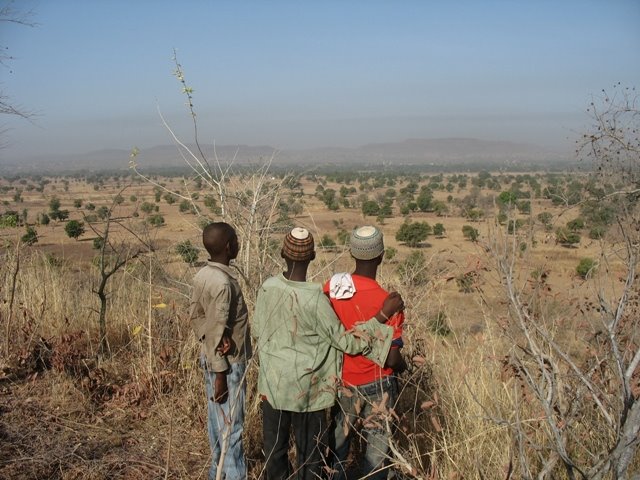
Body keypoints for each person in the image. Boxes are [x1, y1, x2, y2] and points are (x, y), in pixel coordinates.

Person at [252, 227, 404, 480]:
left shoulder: (274, 288)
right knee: (311, 457)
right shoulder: (317, 299)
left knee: (276, 452)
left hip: (275, 385)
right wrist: (381, 316)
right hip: (309, 392)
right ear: (312, 256)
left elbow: (258, 330)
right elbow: (349, 343)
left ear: (281, 253)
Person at [324, 226, 406, 480]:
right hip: (378, 383)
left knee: (337, 449)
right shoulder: (389, 302)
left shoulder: (331, 290)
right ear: (381, 255)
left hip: (341, 380)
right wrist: (404, 368)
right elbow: (392, 358)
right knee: (377, 456)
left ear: (351, 252)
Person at [190, 222, 251, 480]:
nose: (238, 244)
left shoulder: (203, 274)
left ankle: (217, 473)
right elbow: (215, 328)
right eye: (235, 240)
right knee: (231, 430)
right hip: (227, 366)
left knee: (217, 425)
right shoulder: (224, 283)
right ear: (228, 247)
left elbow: (196, 318)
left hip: (212, 358)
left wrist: (213, 337)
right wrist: (220, 375)